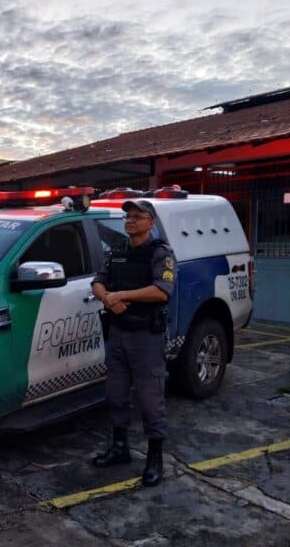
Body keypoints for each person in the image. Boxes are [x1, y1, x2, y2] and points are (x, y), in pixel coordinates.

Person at [90, 199, 176, 486]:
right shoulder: (116, 252)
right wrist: (107, 298)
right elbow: (98, 281)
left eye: (137, 217)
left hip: (145, 337)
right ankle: (119, 448)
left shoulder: (160, 253)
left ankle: (155, 459)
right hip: (117, 334)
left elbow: (162, 291)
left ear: (151, 222)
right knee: (115, 395)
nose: (130, 221)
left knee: (150, 400)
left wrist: (122, 296)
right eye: (127, 216)